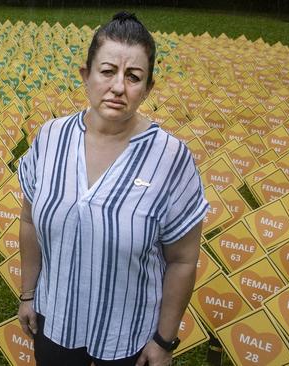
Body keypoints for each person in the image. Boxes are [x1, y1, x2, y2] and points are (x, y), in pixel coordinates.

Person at [16, 11, 209, 366]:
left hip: (128, 339)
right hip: (54, 321)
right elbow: (29, 220)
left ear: (148, 87)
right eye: (107, 71)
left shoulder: (170, 159)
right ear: (85, 75)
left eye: (133, 76)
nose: (119, 87)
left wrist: (164, 341)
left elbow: (182, 260)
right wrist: (28, 294)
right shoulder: (51, 138)